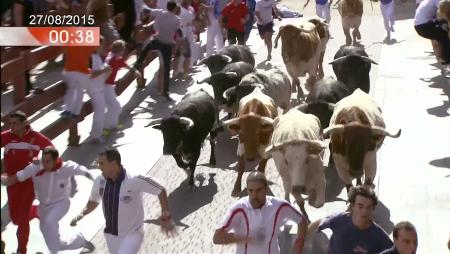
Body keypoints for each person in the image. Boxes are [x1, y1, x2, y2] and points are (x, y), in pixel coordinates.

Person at [69, 148, 176, 253]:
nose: (98, 167)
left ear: (113, 163)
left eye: (102, 163)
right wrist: (82, 213)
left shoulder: (134, 180)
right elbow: (94, 201)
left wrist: (165, 213)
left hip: (133, 234)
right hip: (111, 236)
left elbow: (160, 189)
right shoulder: (100, 182)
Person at [1, 147, 95, 253]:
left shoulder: (66, 167)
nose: (45, 164)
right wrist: (4, 179)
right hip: (43, 207)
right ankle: (79, 240)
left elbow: (80, 169)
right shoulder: (35, 167)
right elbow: (18, 176)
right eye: (43, 160)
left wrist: (93, 178)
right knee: (55, 245)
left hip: (61, 203)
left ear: (55, 160)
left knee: (50, 221)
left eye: (48, 161)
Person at [213, 172, 307, 254]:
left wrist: (299, 243)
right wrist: (244, 239)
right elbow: (217, 237)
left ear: (266, 189)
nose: (254, 195)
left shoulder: (280, 206)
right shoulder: (238, 209)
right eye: (251, 191)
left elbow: (302, 220)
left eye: (258, 190)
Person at [1, 111, 53, 254]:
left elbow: (53, 151)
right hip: (11, 183)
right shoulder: (6, 137)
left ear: (25, 123)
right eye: (9, 124)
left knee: (22, 220)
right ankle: (36, 211)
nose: (11, 127)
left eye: (15, 124)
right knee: (16, 219)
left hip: (30, 183)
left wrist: (40, 161)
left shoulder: (36, 137)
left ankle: (22, 250)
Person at [308, 186, 393, 254]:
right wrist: (302, 238)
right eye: (360, 206)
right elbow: (319, 222)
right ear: (352, 206)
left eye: (368, 207)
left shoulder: (379, 236)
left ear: (373, 209)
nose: (364, 211)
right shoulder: (339, 219)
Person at [133, 2, 181, 101]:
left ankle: (138, 63)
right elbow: (179, 35)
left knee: (147, 49)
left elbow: (147, 12)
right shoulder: (177, 20)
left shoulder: (159, 13)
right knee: (167, 70)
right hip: (167, 45)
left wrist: (147, 23)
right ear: (175, 9)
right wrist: (176, 48)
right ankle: (165, 92)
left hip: (157, 40)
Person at [102, 40, 141, 137]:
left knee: (114, 107)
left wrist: (134, 70)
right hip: (105, 87)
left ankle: (113, 125)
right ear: (121, 50)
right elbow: (105, 72)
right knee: (115, 107)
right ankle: (106, 128)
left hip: (109, 86)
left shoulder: (115, 58)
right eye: (123, 49)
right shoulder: (111, 59)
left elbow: (124, 64)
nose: (124, 51)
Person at [87, 39, 112, 143]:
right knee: (99, 111)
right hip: (93, 89)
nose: (102, 47)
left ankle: (97, 133)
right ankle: (95, 135)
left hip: (99, 88)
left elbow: (101, 76)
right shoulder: (90, 57)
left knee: (101, 111)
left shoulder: (98, 57)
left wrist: (107, 72)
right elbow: (90, 75)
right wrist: (104, 71)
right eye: (100, 45)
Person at [61, 46, 97, 119]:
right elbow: (95, 49)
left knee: (70, 91)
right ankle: (76, 112)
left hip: (70, 70)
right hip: (83, 72)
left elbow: (64, 50)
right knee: (80, 93)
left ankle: (67, 110)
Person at [414, 0, 450, 66]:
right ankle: (446, 60)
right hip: (424, 26)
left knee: (440, 36)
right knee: (445, 36)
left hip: (421, 25)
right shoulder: (437, 1)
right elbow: (444, 12)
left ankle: (441, 58)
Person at [173, 0, 195, 80]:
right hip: (183, 36)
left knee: (177, 55)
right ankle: (185, 73)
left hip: (175, 37)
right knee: (187, 56)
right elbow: (191, 23)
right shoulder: (188, 13)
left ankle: (175, 72)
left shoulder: (174, 10)